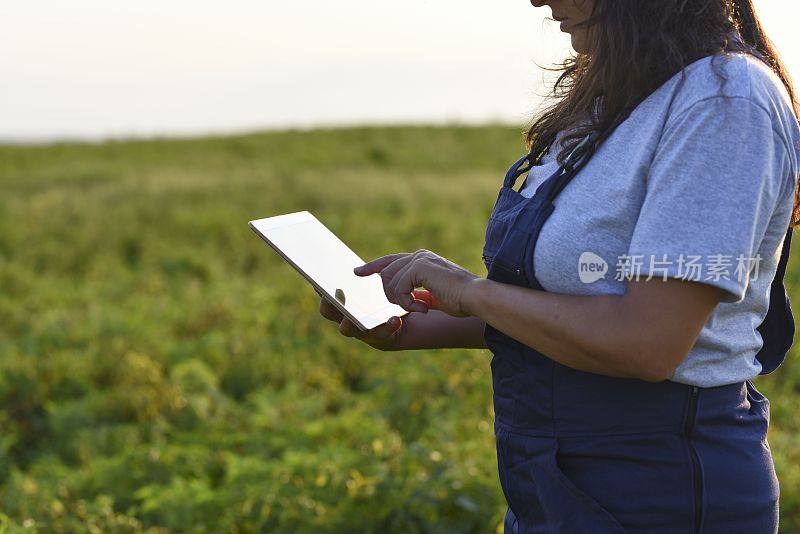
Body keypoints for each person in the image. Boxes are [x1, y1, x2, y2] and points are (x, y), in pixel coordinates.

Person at [318, 0, 800, 531]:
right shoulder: (618, 98)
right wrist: (414, 325)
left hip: (661, 490)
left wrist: (470, 291)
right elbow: (577, 306)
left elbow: (648, 342)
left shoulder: (725, 102)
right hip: (554, 485)